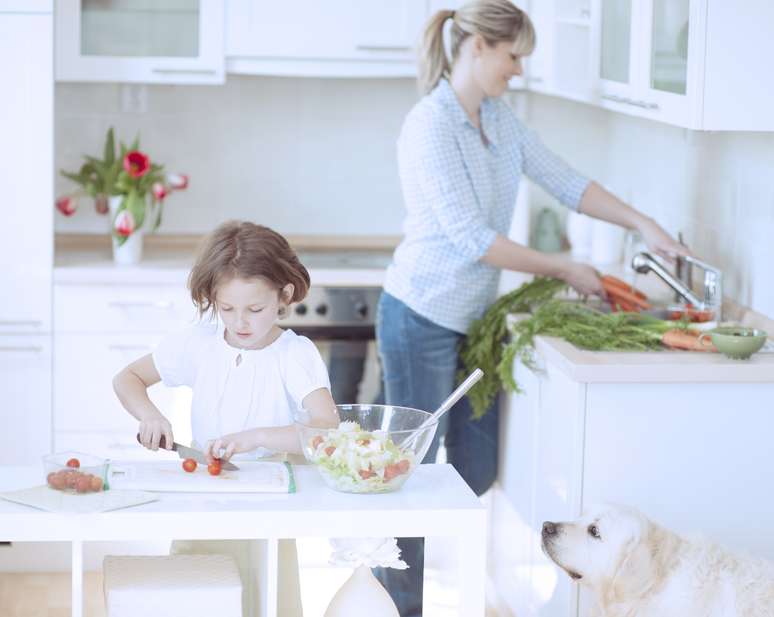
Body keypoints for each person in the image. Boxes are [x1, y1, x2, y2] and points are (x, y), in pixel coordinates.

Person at [373, 2, 690, 615]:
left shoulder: (497, 119)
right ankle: (395, 606)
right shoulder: (430, 124)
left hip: (475, 323)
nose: (518, 70)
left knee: (475, 466)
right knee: (406, 480)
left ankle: (435, 588)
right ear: (479, 48)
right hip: (419, 318)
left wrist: (645, 225)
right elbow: (471, 238)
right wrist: (568, 267)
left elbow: (567, 180)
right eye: (514, 55)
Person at [113, 220, 338, 617]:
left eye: (255, 309)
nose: (240, 323)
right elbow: (128, 379)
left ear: (284, 295)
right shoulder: (198, 341)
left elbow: (326, 427)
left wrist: (258, 437)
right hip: (203, 491)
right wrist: (151, 416)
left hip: (267, 497)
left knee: (265, 596)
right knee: (197, 593)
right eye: (227, 308)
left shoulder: (293, 355)